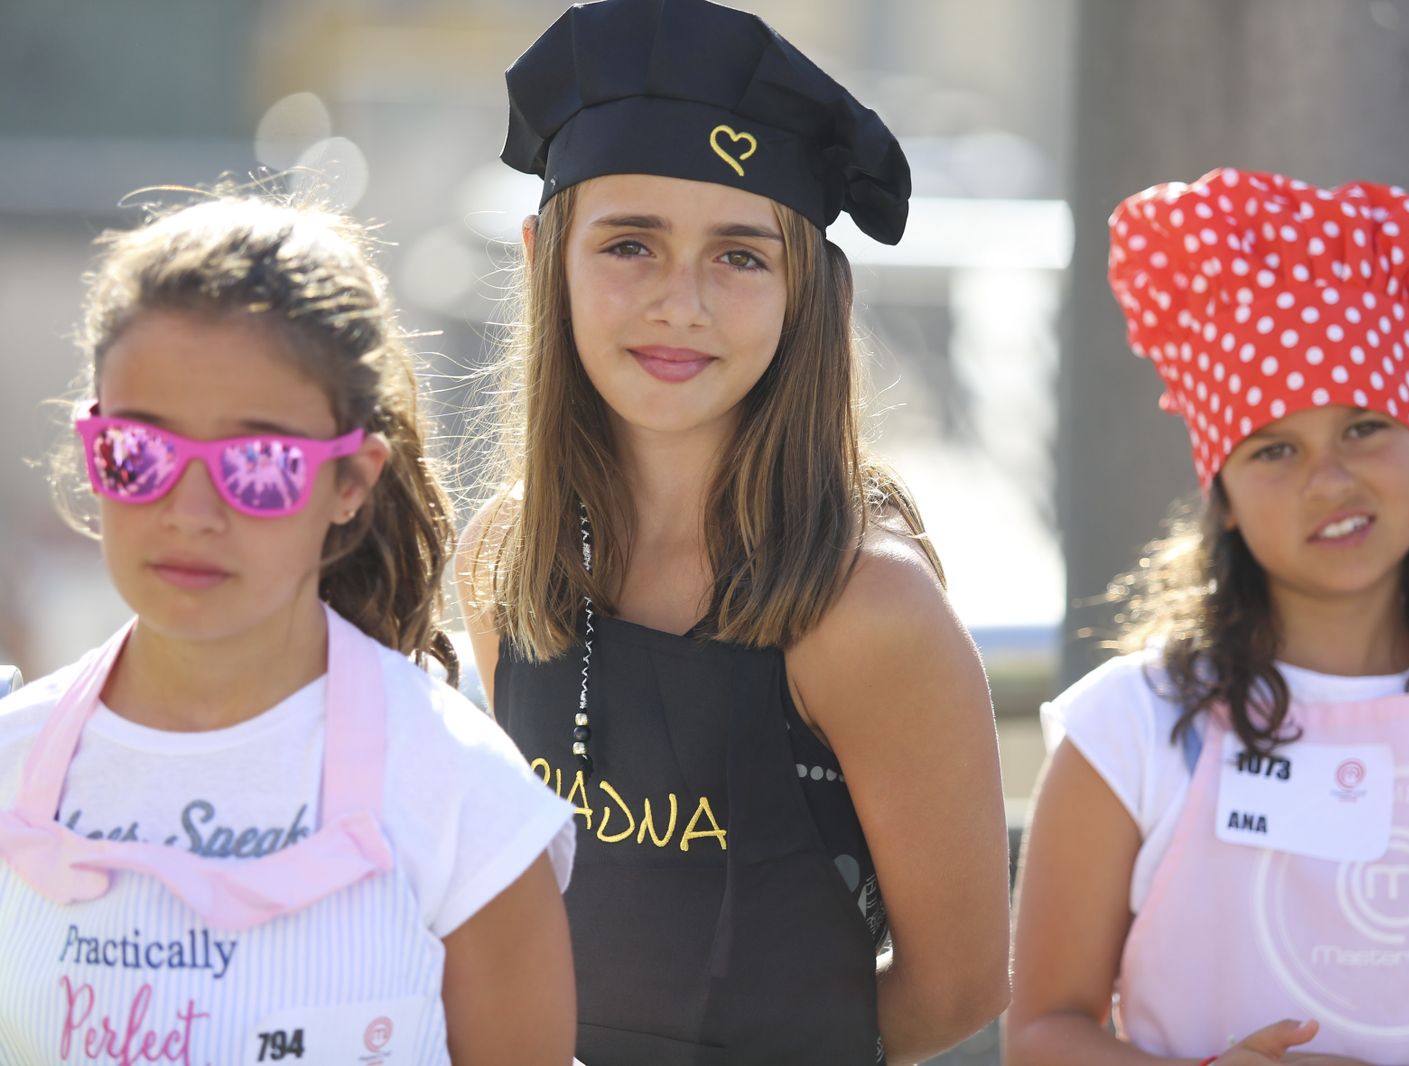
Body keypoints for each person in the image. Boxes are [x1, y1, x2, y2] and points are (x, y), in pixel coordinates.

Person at [456, 1, 1011, 1061]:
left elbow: (957, 986)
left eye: (741, 257)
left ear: (812, 293)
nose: (682, 303)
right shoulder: (504, 562)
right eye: (629, 243)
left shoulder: (868, 608)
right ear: (543, 257)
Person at [1006, 169, 1409, 1066]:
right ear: (1227, 499)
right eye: (1276, 448)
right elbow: (1043, 1032)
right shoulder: (1128, 729)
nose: (1331, 479)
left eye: (1366, 427)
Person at [0, 192, 578, 1065]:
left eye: (257, 462)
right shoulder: (11, 760)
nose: (190, 512)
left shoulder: (461, 795)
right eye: (140, 453)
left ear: (351, 482)